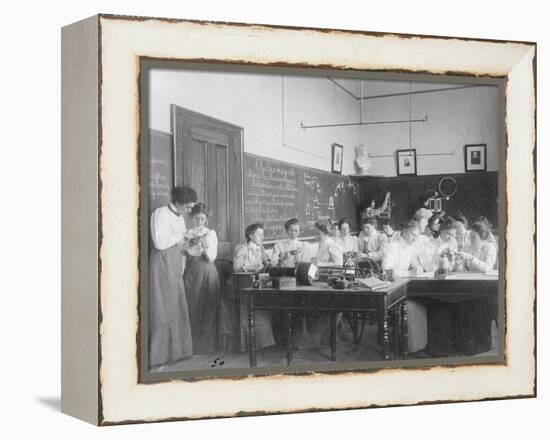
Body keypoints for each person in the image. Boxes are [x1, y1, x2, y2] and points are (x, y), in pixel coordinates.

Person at [149, 186, 197, 368]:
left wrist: (190, 242)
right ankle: (159, 356)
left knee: (177, 305)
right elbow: (160, 243)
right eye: (188, 207)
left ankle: (179, 352)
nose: (189, 211)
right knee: (162, 306)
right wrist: (182, 235)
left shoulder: (181, 218)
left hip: (176, 262)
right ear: (178, 202)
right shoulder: (160, 213)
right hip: (162, 262)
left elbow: (179, 244)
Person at [381, 220, 428, 353]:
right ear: (405, 232)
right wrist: (408, 272)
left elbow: (414, 263)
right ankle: (409, 347)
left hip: (405, 286)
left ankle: (422, 345)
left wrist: (418, 267)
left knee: (424, 302)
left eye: (416, 236)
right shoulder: (391, 247)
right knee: (412, 306)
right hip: (392, 290)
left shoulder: (409, 248)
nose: (415, 238)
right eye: (413, 235)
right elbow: (387, 271)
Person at [230, 223, 275, 351]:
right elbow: (236, 267)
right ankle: (250, 345)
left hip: (259, 283)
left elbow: (267, 264)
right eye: (259, 234)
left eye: (262, 234)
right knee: (250, 309)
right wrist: (252, 267)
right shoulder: (243, 248)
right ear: (250, 235)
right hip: (245, 284)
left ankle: (264, 343)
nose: (262, 237)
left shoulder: (261, 249)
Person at [183, 203, 220, 354]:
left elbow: (211, 257)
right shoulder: (186, 233)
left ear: (206, 219)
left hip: (207, 272)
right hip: (191, 273)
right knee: (191, 306)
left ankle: (206, 347)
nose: (199, 222)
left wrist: (204, 246)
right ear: (192, 218)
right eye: (197, 219)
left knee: (207, 307)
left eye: (202, 219)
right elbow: (183, 255)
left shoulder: (210, 234)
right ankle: (191, 347)